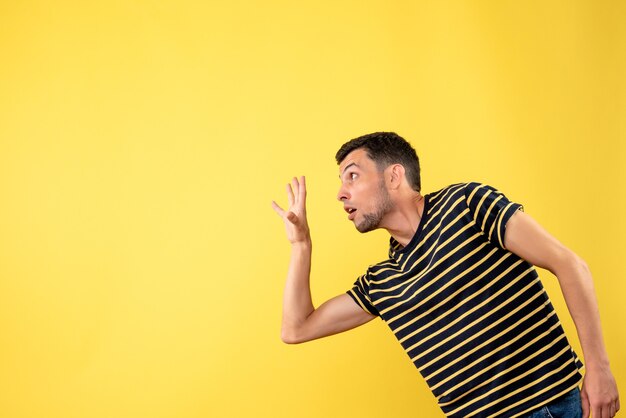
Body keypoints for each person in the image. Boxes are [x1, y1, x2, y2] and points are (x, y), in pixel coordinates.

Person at [271, 132, 619, 418]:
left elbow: (570, 265)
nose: (340, 193)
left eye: (353, 175)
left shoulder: (467, 204)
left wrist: (599, 370)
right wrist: (301, 245)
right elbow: (295, 328)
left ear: (394, 176)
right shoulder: (381, 282)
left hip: (550, 407)